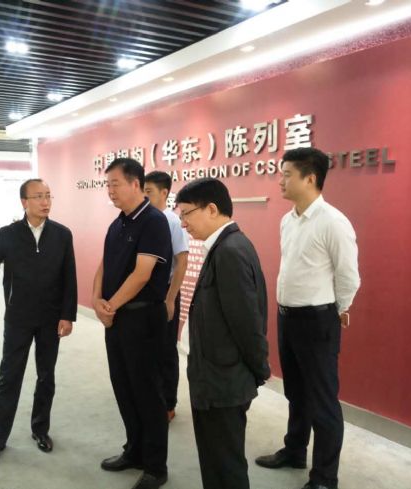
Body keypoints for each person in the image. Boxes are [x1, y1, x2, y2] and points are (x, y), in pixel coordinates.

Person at [0, 179, 77, 467]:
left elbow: (69, 276)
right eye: (38, 196)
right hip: (18, 317)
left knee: (46, 376)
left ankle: (40, 429)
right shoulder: (8, 234)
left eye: (48, 196)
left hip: (50, 319)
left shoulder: (62, 234)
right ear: (24, 202)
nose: (45, 202)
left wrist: (67, 315)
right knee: (9, 377)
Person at [255, 147, 360, 489]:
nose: (280, 181)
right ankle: (295, 450)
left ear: (310, 178)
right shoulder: (288, 220)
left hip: (317, 321)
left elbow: (349, 276)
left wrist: (337, 309)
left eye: (287, 174)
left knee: (322, 400)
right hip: (288, 317)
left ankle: (325, 477)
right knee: (296, 392)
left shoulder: (333, 222)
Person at [175, 178, 270, 489]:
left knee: (225, 465)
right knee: (215, 460)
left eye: (187, 213)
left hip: (224, 382)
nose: (183, 223)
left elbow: (247, 324)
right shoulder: (224, 246)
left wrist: (259, 370)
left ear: (212, 209)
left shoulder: (230, 251)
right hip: (215, 377)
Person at [93, 158, 172, 489]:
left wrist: (110, 305)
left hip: (143, 318)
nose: (110, 190)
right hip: (117, 319)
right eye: (107, 185)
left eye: (115, 184)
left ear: (136, 184)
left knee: (147, 391)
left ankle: (155, 466)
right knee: (123, 386)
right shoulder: (118, 223)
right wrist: (96, 300)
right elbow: (104, 265)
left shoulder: (153, 221)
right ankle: (134, 451)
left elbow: (142, 274)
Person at [144, 171, 189, 421]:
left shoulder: (172, 221)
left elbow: (182, 262)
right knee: (149, 349)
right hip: (147, 294)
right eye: (143, 191)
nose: (144, 196)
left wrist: (170, 299)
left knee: (166, 350)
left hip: (166, 293)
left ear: (164, 193)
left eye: (149, 192)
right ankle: (152, 398)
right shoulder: (145, 220)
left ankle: (168, 403)